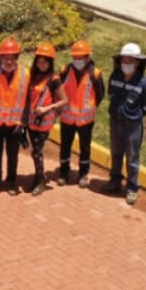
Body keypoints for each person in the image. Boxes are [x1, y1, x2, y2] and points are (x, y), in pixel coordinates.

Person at [106, 42, 146, 205]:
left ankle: (132, 188)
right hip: (116, 123)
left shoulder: (144, 84)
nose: (126, 64)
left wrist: (135, 115)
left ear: (137, 63)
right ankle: (115, 181)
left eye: (130, 61)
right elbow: (111, 95)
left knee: (132, 157)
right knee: (116, 153)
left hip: (132, 126)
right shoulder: (115, 77)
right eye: (124, 61)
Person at [0, 38, 30, 192]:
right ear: (1, 57)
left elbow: (28, 100)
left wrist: (23, 121)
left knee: (13, 155)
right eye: (6, 58)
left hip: (15, 124)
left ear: (16, 58)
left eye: (12, 58)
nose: (9, 61)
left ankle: (11, 181)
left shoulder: (25, 74)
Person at [55, 40, 104, 186]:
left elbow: (100, 95)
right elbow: (59, 90)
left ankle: (83, 174)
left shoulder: (95, 74)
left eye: (80, 58)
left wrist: (90, 108)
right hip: (67, 118)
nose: (77, 61)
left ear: (87, 58)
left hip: (85, 120)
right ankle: (64, 172)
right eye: (75, 57)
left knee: (85, 147)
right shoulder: (65, 70)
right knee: (65, 146)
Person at [23, 43, 63, 195]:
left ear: (50, 62)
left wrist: (47, 108)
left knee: (37, 151)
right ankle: (38, 176)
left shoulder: (54, 79)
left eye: (45, 62)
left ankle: (40, 180)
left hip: (44, 122)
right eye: (39, 61)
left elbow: (64, 100)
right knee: (35, 151)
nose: (41, 64)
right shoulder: (34, 76)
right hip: (32, 121)